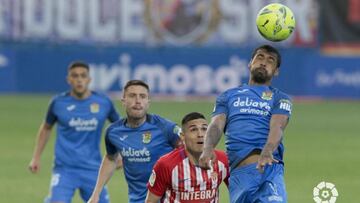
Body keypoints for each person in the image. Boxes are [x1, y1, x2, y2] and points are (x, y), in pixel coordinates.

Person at [199, 45, 292, 203]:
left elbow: (278, 126)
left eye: (270, 60)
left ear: (276, 71)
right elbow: (216, 125)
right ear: (250, 63)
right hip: (240, 176)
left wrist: (268, 150)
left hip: (269, 170)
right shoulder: (228, 96)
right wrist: (207, 148)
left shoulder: (280, 98)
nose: (263, 62)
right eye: (260, 57)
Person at [28, 61, 120, 203]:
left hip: (93, 169)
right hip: (64, 169)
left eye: (83, 76)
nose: (79, 79)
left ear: (89, 79)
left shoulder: (103, 102)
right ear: (68, 79)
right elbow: (46, 128)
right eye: (75, 76)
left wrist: (121, 154)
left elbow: (120, 128)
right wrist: (36, 157)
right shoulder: (58, 103)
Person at [87, 80, 182, 203]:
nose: (138, 101)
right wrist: (96, 194)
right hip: (137, 199)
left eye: (142, 96)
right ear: (123, 101)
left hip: (167, 198)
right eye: (132, 96)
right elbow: (111, 158)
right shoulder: (113, 132)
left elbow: (189, 150)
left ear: (148, 102)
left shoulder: (165, 128)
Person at [145, 112, 229, 203]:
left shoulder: (222, 160)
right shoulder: (166, 164)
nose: (200, 134)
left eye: (204, 129)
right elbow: (150, 201)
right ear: (182, 136)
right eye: (193, 130)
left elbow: (239, 191)